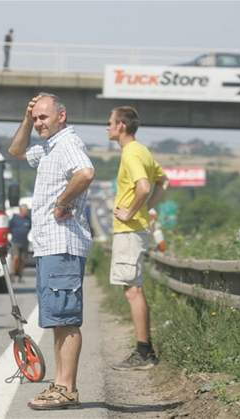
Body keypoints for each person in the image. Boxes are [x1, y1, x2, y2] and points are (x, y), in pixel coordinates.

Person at [8, 93, 95, 410]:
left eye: (44, 117)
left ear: (62, 116)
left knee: (66, 318)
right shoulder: (48, 146)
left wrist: (63, 202)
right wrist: (26, 119)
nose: (39, 122)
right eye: (37, 118)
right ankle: (61, 385)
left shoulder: (68, 143)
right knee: (58, 318)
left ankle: (66, 388)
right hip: (49, 245)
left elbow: (85, 173)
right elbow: (16, 151)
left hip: (63, 243)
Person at [106, 106, 167, 371]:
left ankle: (144, 352)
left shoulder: (130, 153)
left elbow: (144, 186)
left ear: (121, 125)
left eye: (109, 122)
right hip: (136, 229)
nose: (106, 127)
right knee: (134, 288)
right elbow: (163, 182)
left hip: (129, 230)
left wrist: (130, 211)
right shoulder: (141, 150)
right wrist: (147, 208)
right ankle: (144, 350)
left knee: (133, 290)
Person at [8, 204, 31, 282]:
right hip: (15, 242)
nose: (27, 212)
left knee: (23, 260)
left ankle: (20, 275)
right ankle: (12, 274)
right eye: (25, 210)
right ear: (21, 210)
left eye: (27, 210)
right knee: (16, 258)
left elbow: (30, 228)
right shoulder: (14, 219)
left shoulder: (28, 219)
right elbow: (9, 228)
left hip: (24, 242)